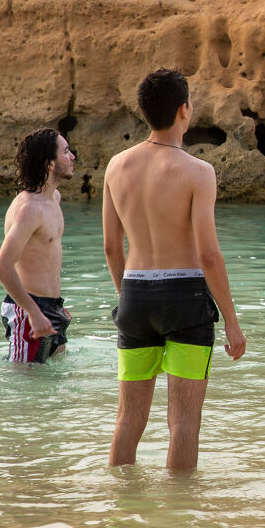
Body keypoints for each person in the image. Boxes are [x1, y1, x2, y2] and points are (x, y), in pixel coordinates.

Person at [101, 68, 247, 471]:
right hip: (185, 298)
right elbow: (209, 256)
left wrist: (127, 298)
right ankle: (180, 507)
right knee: (183, 422)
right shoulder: (198, 172)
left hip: (134, 294)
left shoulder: (116, 166)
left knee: (128, 419)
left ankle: (121, 501)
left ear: (145, 112)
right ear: (184, 110)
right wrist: (232, 322)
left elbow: (112, 246)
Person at [0, 128, 76, 363]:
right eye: (66, 152)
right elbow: (2, 267)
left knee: (51, 380)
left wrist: (50, 308)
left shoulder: (54, 198)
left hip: (52, 307)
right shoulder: (29, 209)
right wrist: (33, 311)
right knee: (22, 381)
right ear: (49, 163)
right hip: (28, 310)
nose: (72, 157)